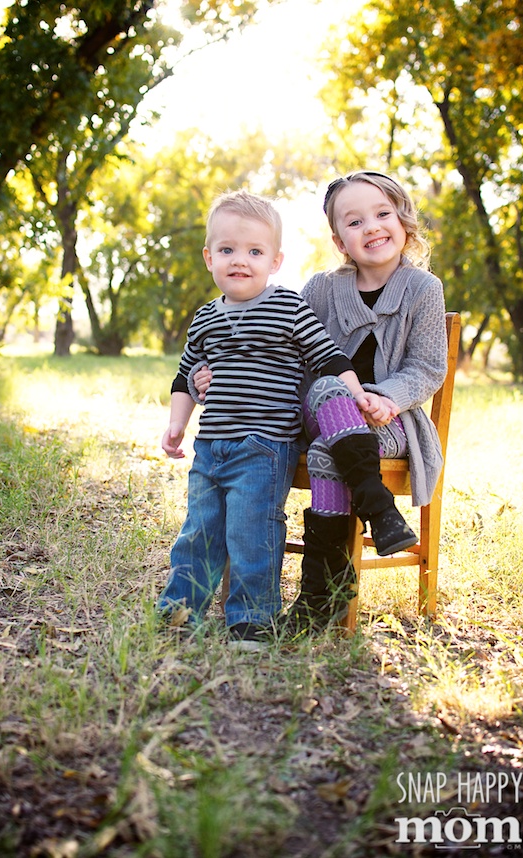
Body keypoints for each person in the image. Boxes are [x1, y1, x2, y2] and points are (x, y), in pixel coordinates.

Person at [194, 172, 448, 635]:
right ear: (339, 239)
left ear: (403, 221)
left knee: (328, 447)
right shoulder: (319, 289)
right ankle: (378, 506)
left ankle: (320, 597)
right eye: (354, 221)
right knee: (330, 387)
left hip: (387, 423)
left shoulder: (423, 289)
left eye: (382, 214)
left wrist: (385, 397)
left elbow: (428, 367)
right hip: (315, 414)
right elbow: (271, 348)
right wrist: (211, 375)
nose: (371, 227)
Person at [157, 188, 396, 650]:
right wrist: (176, 424)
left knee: (252, 532)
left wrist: (359, 395)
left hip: (265, 445)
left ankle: (252, 620)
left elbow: (327, 357)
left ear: (275, 260)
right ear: (209, 258)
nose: (239, 260)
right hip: (212, 446)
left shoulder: (288, 307)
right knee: (199, 530)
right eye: (227, 250)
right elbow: (185, 374)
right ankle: (179, 611)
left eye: (254, 251)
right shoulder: (205, 318)